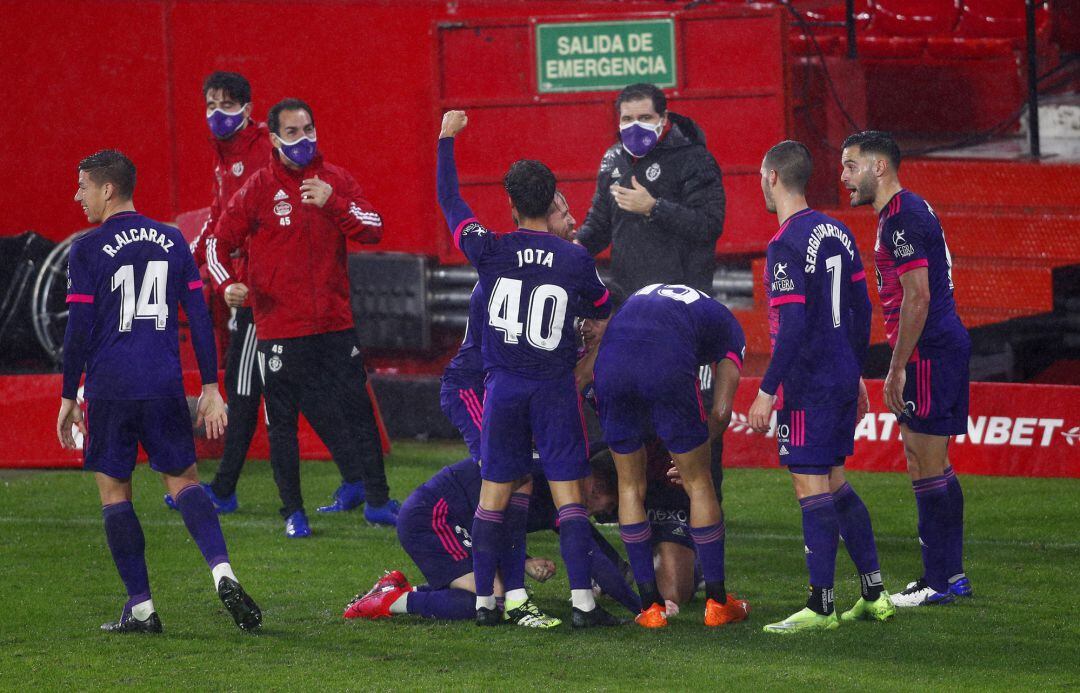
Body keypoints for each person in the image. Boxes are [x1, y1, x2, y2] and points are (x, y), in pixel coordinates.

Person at [57, 149, 261, 633]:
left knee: (114, 494)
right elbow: (200, 318)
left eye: (83, 186)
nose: (78, 195)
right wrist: (211, 386)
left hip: (110, 387)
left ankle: (142, 607)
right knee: (185, 482)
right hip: (164, 383)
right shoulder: (172, 240)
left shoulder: (85, 248)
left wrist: (69, 396)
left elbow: (78, 330)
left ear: (108, 189)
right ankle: (223, 571)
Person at [437, 109, 621, 629]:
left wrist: (446, 140)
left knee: (495, 493)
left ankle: (485, 605)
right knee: (568, 496)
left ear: (512, 204)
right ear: (552, 199)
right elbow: (603, 306)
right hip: (554, 389)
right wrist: (587, 328)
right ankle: (584, 604)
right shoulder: (573, 259)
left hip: (504, 390)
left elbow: (451, 202)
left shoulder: (490, 249)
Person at [207, 98, 398, 536]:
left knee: (359, 413)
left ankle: (378, 501)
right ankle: (293, 512)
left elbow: (374, 227)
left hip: (335, 322)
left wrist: (334, 204)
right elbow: (218, 244)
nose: (304, 139)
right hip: (280, 327)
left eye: (309, 129)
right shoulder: (257, 188)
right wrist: (226, 287)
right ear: (274, 139)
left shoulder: (335, 181)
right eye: (292, 132)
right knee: (283, 423)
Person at [747, 140, 894, 633]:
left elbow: (790, 325)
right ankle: (874, 592)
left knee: (810, 485)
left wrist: (768, 389)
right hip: (838, 373)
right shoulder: (840, 231)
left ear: (772, 177)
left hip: (808, 382)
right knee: (834, 482)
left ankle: (821, 604)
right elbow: (862, 309)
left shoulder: (785, 243)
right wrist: (854, 372)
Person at [840, 131, 971, 607]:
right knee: (930, 462)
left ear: (879, 167)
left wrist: (896, 368)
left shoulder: (901, 220)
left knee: (924, 462)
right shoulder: (908, 210)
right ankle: (950, 576)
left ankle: (938, 580)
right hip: (937, 347)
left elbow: (918, 296)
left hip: (927, 351)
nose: (844, 177)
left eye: (851, 166)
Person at [591, 283, 749, 628]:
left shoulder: (645, 297)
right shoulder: (729, 327)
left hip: (611, 363)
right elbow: (721, 412)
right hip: (664, 361)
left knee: (630, 486)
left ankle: (649, 608)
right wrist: (694, 450)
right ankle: (719, 602)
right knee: (699, 483)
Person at [342, 458, 640, 624]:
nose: (604, 513)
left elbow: (590, 552)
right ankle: (393, 601)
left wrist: (639, 608)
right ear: (598, 487)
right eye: (610, 506)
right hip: (434, 517)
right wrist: (641, 610)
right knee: (491, 599)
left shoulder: (560, 484)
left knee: (492, 593)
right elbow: (487, 523)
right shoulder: (548, 480)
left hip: (457, 521)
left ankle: (400, 589)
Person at [164, 71, 274, 514]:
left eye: (227, 105)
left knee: (244, 385)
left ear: (248, 109)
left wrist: (228, 275)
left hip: (263, 288)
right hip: (253, 284)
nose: (217, 114)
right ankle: (364, 486)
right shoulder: (226, 156)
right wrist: (192, 258)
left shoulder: (262, 151)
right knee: (309, 388)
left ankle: (225, 490)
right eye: (210, 105)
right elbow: (219, 217)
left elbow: (246, 221)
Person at [439, 191, 578, 463]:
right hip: (476, 385)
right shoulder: (509, 267)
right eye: (564, 214)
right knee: (500, 469)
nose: (573, 221)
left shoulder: (564, 266)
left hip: (515, 390)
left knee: (536, 470)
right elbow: (451, 202)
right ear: (542, 222)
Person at [575, 82, 725, 305]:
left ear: (663, 118)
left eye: (645, 118)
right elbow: (599, 224)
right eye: (627, 119)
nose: (635, 126)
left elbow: (709, 225)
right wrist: (573, 247)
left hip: (683, 299)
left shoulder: (694, 158)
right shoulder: (613, 158)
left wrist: (653, 208)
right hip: (628, 299)